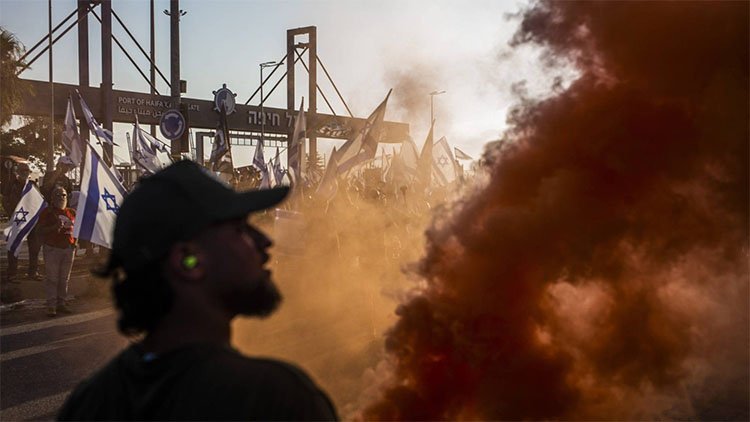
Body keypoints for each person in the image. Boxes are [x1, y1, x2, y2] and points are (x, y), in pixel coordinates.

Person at [57, 160, 337, 421]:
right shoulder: (275, 399)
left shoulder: (88, 402)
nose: (265, 242)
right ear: (188, 261)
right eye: (240, 230)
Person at [36, 186, 76, 317]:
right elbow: (40, 231)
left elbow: (76, 229)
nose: (61, 197)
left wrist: (74, 243)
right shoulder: (47, 212)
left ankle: (61, 303)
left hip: (68, 249)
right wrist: (55, 227)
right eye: (58, 195)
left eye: (64, 195)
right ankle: (51, 306)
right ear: (52, 198)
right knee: (52, 278)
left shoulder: (72, 212)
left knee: (64, 279)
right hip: (53, 248)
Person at [1, 160, 43, 282]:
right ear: (17, 172)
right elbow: (5, 200)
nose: (25, 173)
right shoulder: (11, 184)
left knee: (34, 248)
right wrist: (12, 213)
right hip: (17, 219)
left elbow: (39, 200)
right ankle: (12, 274)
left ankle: (33, 272)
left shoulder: (32, 185)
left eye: (27, 171)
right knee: (14, 246)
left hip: (32, 221)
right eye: (23, 170)